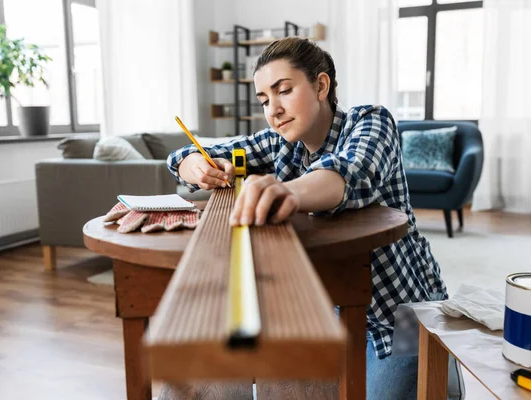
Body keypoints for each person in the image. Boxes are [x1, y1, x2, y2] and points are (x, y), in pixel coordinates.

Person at [167, 37, 463, 399]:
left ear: (321, 85)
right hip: (328, 311)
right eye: (264, 100)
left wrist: (289, 191)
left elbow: (350, 172)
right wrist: (193, 164)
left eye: (284, 91)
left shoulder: (370, 121)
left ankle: (446, 375)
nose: (273, 110)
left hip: (401, 316)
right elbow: (191, 153)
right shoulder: (281, 142)